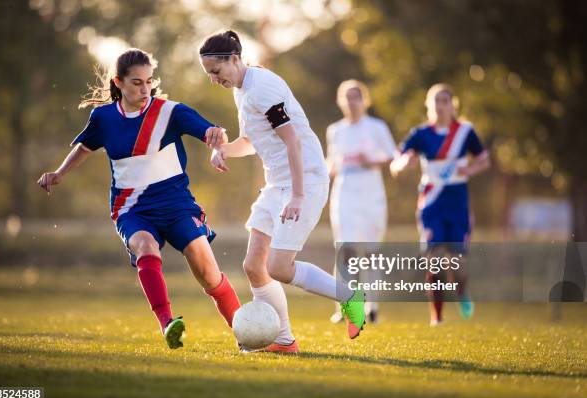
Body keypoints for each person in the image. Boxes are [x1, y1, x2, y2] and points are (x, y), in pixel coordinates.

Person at [37, 48, 241, 349]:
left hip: (177, 206)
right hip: (132, 209)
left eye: (149, 81)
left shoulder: (171, 112)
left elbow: (212, 132)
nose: (145, 89)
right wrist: (59, 172)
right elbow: (85, 147)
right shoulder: (103, 118)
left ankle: (244, 333)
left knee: (209, 274)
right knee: (146, 246)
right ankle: (168, 323)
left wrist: (215, 139)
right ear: (118, 82)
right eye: (136, 82)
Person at [199, 30, 366, 353]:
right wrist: (222, 151)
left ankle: (350, 296)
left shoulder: (263, 88)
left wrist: (299, 196)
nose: (213, 79)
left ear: (234, 59)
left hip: (305, 181)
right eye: (209, 74)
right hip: (277, 184)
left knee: (279, 268)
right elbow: (251, 142)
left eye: (216, 72)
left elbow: (292, 141)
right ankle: (284, 340)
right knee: (253, 266)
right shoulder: (242, 88)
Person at [390, 83, 490, 326]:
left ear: (452, 105)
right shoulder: (421, 134)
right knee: (433, 260)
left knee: (458, 263)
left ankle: (462, 291)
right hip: (431, 204)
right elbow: (396, 160)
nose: (441, 105)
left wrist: (470, 168)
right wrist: (404, 162)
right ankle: (437, 316)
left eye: (445, 100)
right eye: (436, 100)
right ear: (429, 105)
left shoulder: (465, 132)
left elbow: (484, 160)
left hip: (458, 205)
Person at [326, 80, 397, 325]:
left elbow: (392, 157)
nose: (351, 102)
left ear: (364, 100)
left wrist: (371, 160)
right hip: (344, 192)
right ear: (340, 101)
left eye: (356, 97)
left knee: (369, 251)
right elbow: (331, 164)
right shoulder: (335, 130)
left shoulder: (377, 127)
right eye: (347, 97)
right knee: (345, 249)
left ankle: (372, 307)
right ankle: (344, 307)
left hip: (371, 192)